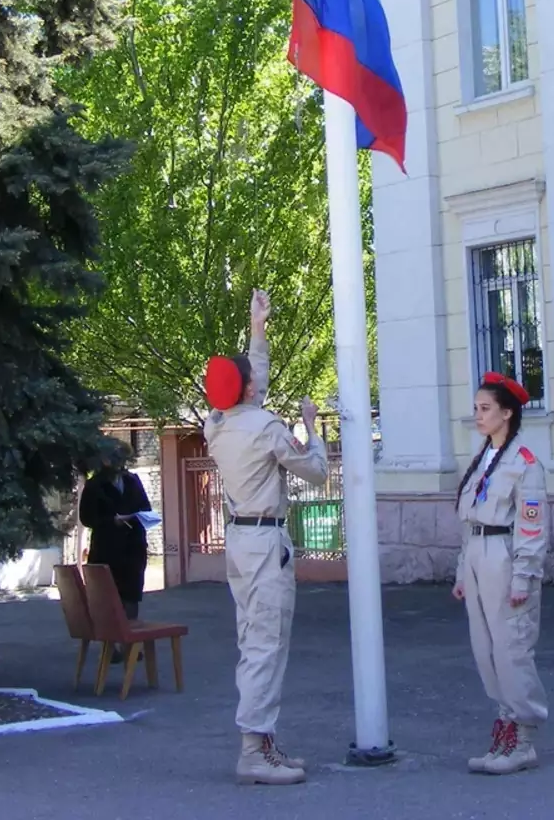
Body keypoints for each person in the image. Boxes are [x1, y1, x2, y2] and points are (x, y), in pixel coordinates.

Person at [203, 289, 328, 787]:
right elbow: (316, 472)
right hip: (265, 542)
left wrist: (258, 327)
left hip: (239, 541)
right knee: (266, 644)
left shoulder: (217, 425)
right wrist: (312, 426)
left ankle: (263, 742)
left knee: (251, 639)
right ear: (250, 389)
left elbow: (250, 380)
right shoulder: (268, 428)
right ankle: (254, 749)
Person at [452, 372, 548, 775]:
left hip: (504, 555)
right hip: (477, 552)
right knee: (485, 646)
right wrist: (461, 569)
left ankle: (523, 736)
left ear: (506, 413)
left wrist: (523, 577)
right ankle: (506, 722)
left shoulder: (524, 463)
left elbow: (531, 525)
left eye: (485, 408)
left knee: (511, 645)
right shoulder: (484, 458)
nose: (478, 415)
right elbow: (469, 518)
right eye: (476, 408)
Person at [79, 438, 151, 659]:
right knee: (109, 599)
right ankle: (112, 648)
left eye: (122, 458)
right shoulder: (94, 485)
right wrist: (112, 521)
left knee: (131, 596)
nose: (118, 463)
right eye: (114, 458)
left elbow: (145, 508)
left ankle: (130, 644)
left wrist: (138, 518)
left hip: (133, 549)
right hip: (106, 549)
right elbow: (87, 518)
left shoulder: (132, 480)